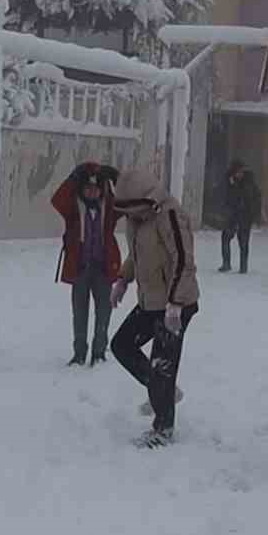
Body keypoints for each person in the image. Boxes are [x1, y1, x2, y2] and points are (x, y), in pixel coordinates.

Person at [109, 167, 200, 448]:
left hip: (176, 303)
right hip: (150, 301)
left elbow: (183, 261)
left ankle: (163, 429)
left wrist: (175, 304)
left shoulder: (170, 215)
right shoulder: (137, 220)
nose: (129, 215)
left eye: (131, 209)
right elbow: (138, 255)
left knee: (163, 365)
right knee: (122, 345)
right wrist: (123, 280)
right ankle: (162, 391)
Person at [50, 162, 122, 366]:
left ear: (102, 190)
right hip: (80, 268)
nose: (92, 192)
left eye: (96, 188)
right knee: (79, 313)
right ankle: (79, 353)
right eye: (87, 188)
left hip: (103, 268)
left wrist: (117, 178)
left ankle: (99, 352)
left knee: (104, 313)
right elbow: (58, 200)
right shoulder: (73, 208)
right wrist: (74, 176)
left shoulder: (109, 207)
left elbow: (127, 200)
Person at [218, 160, 261, 274]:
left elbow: (255, 199)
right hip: (232, 215)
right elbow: (225, 196)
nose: (240, 174)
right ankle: (226, 263)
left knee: (243, 242)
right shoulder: (228, 182)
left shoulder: (249, 183)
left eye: (241, 171)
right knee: (226, 238)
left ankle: (243, 266)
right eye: (238, 171)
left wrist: (255, 214)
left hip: (245, 216)